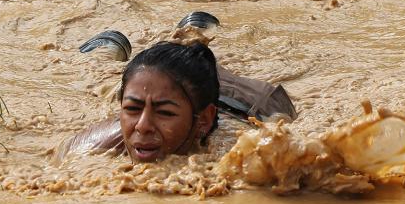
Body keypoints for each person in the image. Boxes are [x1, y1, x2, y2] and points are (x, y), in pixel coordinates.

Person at [54, 41, 297, 163]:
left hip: (246, 103)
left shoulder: (242, 153)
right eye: (131, 109)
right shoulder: (97, 145)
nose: (142, 126)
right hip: (174, 87)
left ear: (203, 120)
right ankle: (110, 46)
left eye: (165, 114)